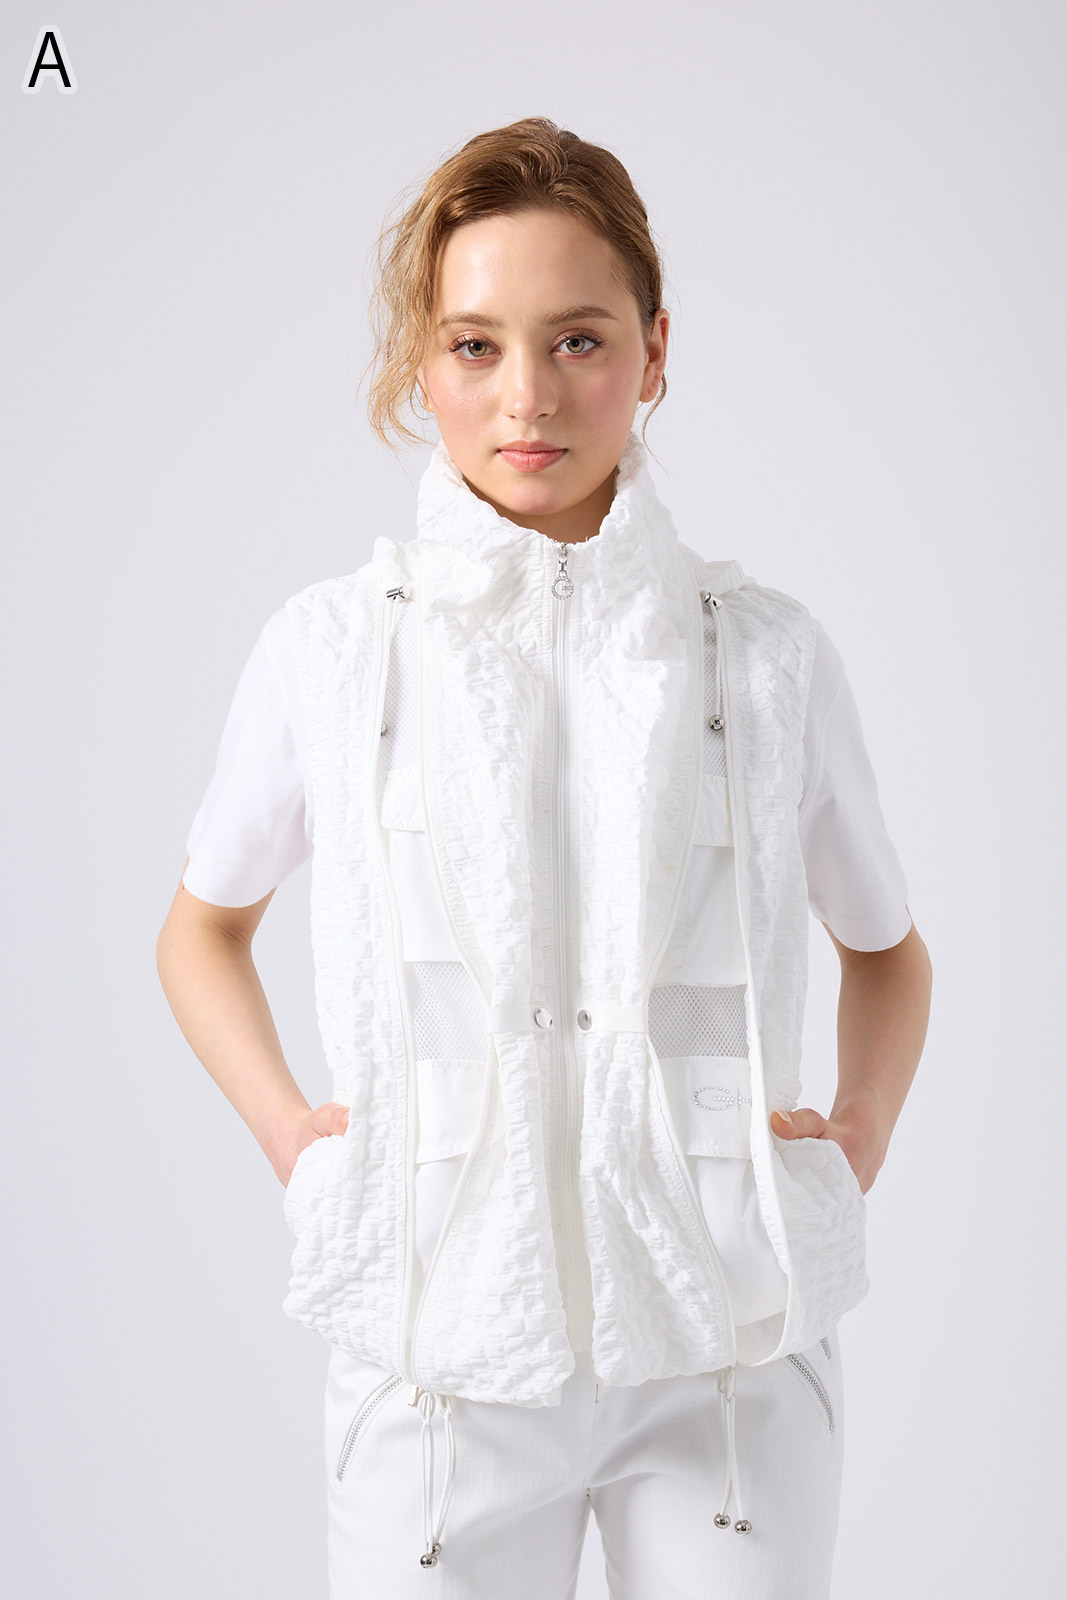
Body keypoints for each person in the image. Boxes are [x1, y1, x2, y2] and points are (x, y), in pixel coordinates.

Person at [156, 117, 933, 1600]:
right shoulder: (333, 652)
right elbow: (200, 929)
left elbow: (887, 950)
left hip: (726, 1359)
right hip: (436, 1364)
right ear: (422, 364)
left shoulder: (765, 657)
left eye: (578, 339)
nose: (528, 395)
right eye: (475, 346)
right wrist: (295, 1142)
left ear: (654, 351)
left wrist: (860, 1134)